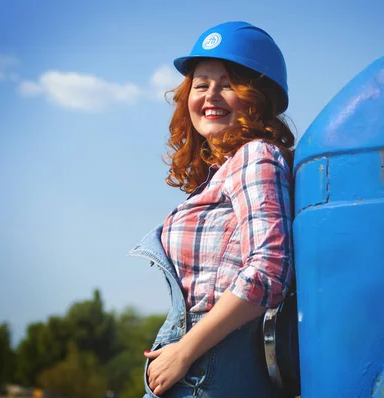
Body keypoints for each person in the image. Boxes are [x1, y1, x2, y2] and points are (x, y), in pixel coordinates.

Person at [128, 21, 295, 398]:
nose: (211, 95)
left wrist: (185, 350)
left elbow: (270, 268)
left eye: (228, 84)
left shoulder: (256, 155)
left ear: (258, 97)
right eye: (201, 84)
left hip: (207, 375)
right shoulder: (222, 172)